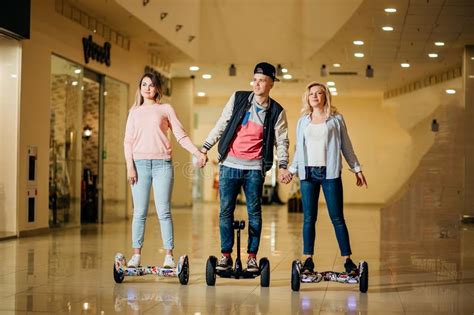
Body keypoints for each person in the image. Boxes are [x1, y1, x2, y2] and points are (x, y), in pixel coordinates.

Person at [200, 62, 292, 272]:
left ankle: (251, 256)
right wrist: (205, 147)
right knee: (225, 211)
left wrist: (284, 165)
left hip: (254, 169)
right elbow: (222, 123)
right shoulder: (239, 98)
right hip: (229, 164)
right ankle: (225, 255)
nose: (257, 84)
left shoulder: (276, 111)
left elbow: (282, 141)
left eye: (262, 80)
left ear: (271, 84)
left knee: (254, 212)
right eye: (255, 79)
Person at [124, 72, 207, 268]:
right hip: (140, 165)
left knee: (164, 212)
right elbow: (127, 141)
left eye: (151, 85)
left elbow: (181, 135)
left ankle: (168, 255)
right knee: (140, 212)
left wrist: (197, 153)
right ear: (140, 87)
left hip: (162, 165)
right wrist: (130, 167)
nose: (147, 88)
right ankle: (136, 255)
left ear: (158, 89)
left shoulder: (166, 109)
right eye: (144, 84)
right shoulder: (134, 112)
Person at [287, 82, 367, 274]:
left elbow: (346, 146)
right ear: (307, 98)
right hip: (307, 174)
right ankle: (308, 259)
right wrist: (291, 169)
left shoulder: (336, 119)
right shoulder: (303, 121)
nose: (314, 96)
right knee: (309, 218)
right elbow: (299, 148)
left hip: (329, 173)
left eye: (318, 93)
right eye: (311, 94)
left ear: (325, 96)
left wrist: (356, 168)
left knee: (337, 218)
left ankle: (347, 259)